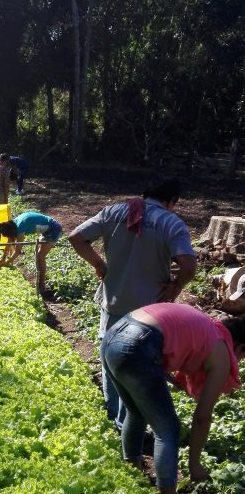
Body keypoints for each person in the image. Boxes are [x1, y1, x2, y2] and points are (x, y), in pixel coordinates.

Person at [68, 177, 197, 426]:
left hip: (114, 300)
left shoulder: (114, 211)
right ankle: (134, 423)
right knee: (143, 366)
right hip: (150, 312)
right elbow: (189, 266)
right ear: (172, 201)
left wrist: (99, 264)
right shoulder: (171, 222)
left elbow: (76, 237)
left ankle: (114, 416)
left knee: (110, 360)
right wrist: (176, 285)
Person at [101, 303, 245, 494]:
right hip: (137, 345)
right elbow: (202, 417)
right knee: (168, 430)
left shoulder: (207, 328)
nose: (239, 363)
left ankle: (132, 476)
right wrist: (194, 463)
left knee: (135, 412)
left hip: (113, 337)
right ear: (241, 348)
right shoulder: (222, 352)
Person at [0, 212, 63, 295]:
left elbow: (17, 251)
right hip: (45, 231)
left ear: (12, 231)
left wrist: (6, 263)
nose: (10, 238)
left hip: (54, 229)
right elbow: (9, 243)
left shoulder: (20, 228)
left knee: (40, 257)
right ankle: (40, 283)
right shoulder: (12, 225)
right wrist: (3, 258)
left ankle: (42, 286)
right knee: (38, 256)